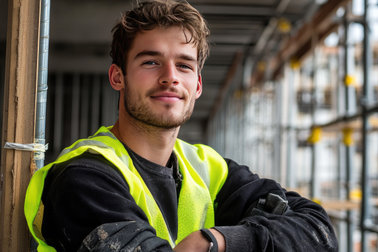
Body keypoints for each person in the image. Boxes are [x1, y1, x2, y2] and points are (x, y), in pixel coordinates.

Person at [24, 0, 338, 251]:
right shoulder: (84, 179)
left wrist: (218, 241)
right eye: (150, 62)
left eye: (184, 65)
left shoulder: (208, 169)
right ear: (117, 76)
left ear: (197, 85)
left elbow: (318, 232)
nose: (170, 76)